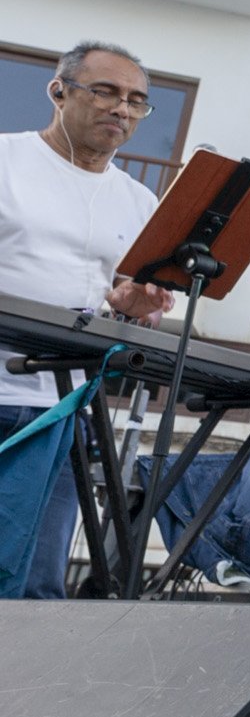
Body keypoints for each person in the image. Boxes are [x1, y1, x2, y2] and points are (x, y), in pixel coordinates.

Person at [0, 42, 172, 598]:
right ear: (58, 91)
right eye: (106, 91)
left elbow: (124, 302)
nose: (122, 109)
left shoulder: (141, 201)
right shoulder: (7, 160)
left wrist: (132, 309)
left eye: (137, 101)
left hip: (66, 407)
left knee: (35, 586)